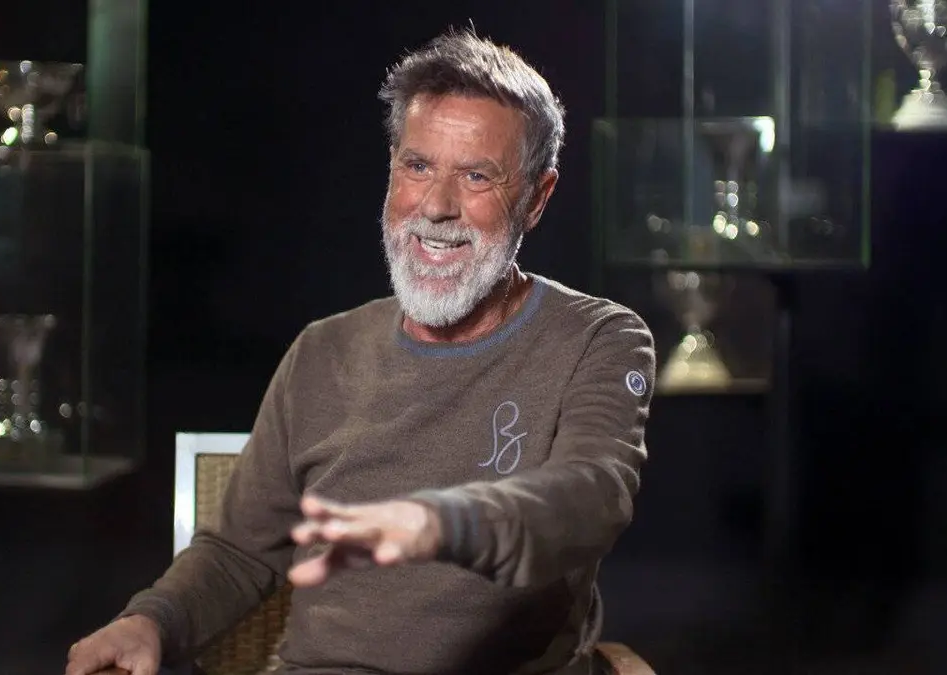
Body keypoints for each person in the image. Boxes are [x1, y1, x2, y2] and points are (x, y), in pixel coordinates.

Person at [66, 27, 655, 675]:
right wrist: (150, 621)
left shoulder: (596, 339)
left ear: (537, 198)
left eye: (476, 176)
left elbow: (590, 499)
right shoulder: (322, 351)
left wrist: (443, 524)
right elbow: (240, 553)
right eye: (418, 166)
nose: (437, 206)